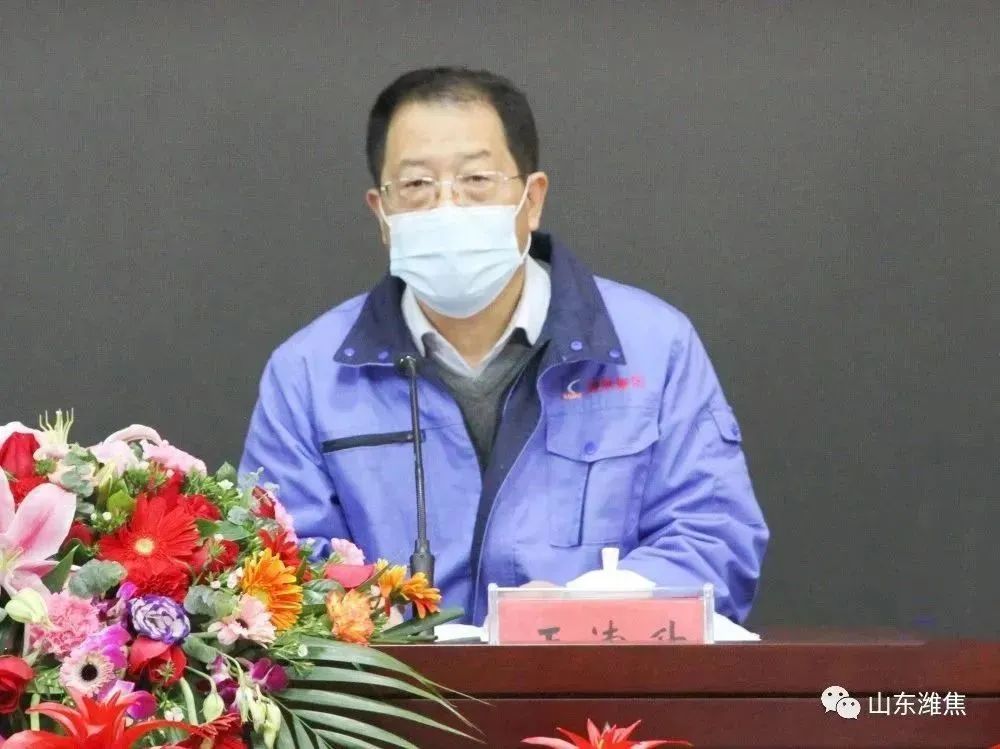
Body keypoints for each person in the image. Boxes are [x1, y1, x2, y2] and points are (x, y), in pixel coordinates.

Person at [240, 67, 768, 625]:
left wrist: (584, 610)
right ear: (382, 213)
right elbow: (283, 572)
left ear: (531, 199)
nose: (447, 207)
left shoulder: (654, 347)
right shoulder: (307, 375)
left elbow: (715, 540)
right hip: (398, 681)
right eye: (417, 186)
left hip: (596, 674)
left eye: (476, 180)